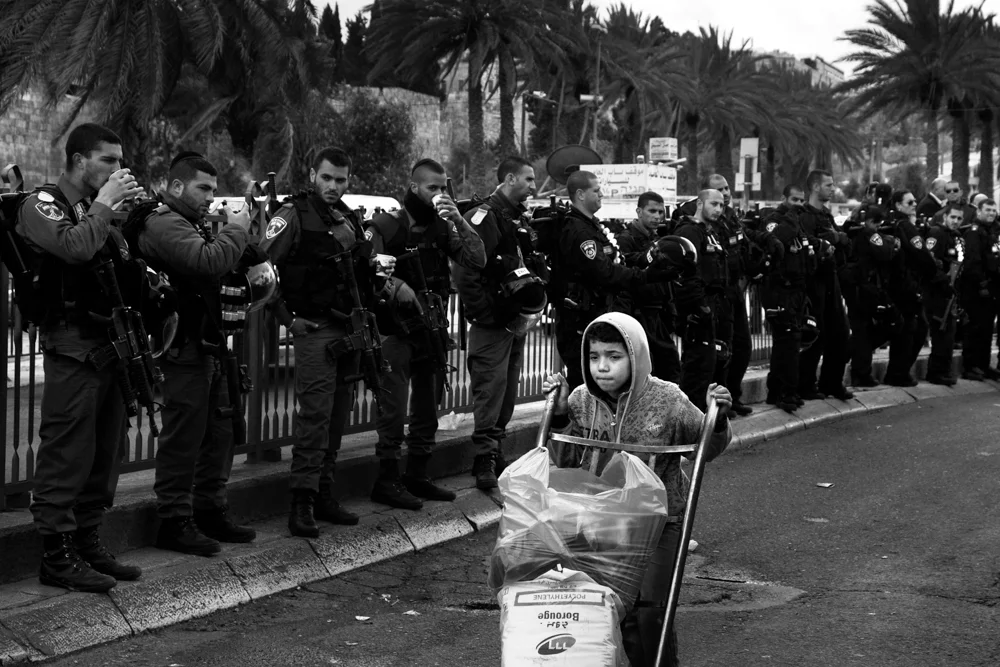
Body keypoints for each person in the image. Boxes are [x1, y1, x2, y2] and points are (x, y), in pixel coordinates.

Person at [541, 312, 732, 667]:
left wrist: (717, 418)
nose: (602, 367)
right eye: (594, 357)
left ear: (636, 356)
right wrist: (560, 413)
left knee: (650, 612)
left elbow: (709, 448)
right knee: (613, 608)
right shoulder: (582, 399)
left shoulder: (668, 399)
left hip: (661, 520)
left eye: (614, 357)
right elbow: (564, 461)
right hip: (602, 518)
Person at [18, 123, 144, 591]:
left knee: (105, 450)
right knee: (67, 450)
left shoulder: (98, 212)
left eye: (119, 160)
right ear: (77, 159)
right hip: (72, 347)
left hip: (110, 345)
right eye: (108, 160)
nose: (118, 169)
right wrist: (106, 204)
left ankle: (88, 541)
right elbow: (74, 248)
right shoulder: (43, 205)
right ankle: (56, 555)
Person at [259, 147, 400, 536]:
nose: (333, 186)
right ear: (311, 175)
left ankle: (323, 493)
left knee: (338, 416)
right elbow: (259, 270)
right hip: (316, 330)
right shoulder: (291, 216)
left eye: (340, 180)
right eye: (326, 178)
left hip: (349, 331)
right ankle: (301, 501)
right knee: (315, 417)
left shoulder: (348, 219)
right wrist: (288, 319)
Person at [135, 152, 258, 556]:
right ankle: (174, 519)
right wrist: (238, 229)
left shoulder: (189, 222)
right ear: (175, 186)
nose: (210, 197)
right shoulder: (161, 221)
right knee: (185, 436)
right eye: (202, 188)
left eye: (213, 189)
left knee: (219, 431)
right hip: (182, 345)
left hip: (207, 340)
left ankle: (209, 509)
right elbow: (207, 263)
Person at [365, 159, 486, 509]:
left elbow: (477, 259)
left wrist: (459, 219)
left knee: (426, 407)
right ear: (414, 186)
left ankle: (417, 475)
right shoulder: (386, 225)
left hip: (431, 330)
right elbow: (366, 267)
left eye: (444, 188)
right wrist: (394, 284)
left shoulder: (441, 227)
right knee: (392, 409)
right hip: (396, 330)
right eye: (433, 188)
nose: (439, 194)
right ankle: (386, 480)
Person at [454, 156, 545, 490]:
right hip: (492, 322)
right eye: (529, 179)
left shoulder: (515, 219)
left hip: (513, 320)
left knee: (506, 391)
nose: (534, 187)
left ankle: (496, 450)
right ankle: (484, 458)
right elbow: (465, 271)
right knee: (489, 391)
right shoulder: (482, 217)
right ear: (509, 178)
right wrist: (485, 313)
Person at [547, 170, 674, 391]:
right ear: (580, 194)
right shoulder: (578, 231)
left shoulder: (591, 225)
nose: (601, 194)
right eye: (596, 190)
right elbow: (604, 272)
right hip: (580, 320)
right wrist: (644, 276)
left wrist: (645, 262)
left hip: (597, 314)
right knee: (585, 384)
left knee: (602, 385)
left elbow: (617, 259)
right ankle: (578, 426)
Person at [797, 170, 854, 401]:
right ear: (815, 187)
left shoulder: (827, 215)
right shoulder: (805, 216)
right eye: (828, 185)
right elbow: (810, 247)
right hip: (814, 283)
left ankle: (832, 382)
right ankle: (806, 385)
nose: (833, 188)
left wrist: (835, 239)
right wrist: (830, 240)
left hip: (831, 280)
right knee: (814, 335)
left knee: (840, 334)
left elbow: (843, 244)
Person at [671, 189, 731, 411]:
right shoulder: (689, 230)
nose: (718, 209)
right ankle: (690, 421)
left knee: (710, 366)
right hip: (697, 311)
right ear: (700, 203)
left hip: (712, 305)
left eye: (721, 205)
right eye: (713, 204)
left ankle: (705, 419)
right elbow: (687, 274)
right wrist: (700, 308)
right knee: (697, 369)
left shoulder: (709, 231)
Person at [614, 191, 681, 384]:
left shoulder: (656, 238)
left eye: (661, 212)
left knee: (668, 369)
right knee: (647, 372)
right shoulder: (626, 239)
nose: (657, 216)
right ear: (639, 211)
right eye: (652, 211)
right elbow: (627, 272)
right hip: (639, 314)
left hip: (657, 313)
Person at [760, 185, 814, 412]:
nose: (799, 204)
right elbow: (777, 241)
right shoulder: (775, 220)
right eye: (795, 199)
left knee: (789, 343)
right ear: (784, 199)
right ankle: (785, 393)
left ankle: (778, 391)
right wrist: (791, 220)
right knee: (788, 342)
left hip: (797, 292)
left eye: (802, 200)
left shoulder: (798, 223)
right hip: (779, 291)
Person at [881, 190, 936, 386]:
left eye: (915, 201)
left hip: (898, 285)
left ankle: (897, 372)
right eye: (910, 202)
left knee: (909, 330)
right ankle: (898, 373)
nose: (914, 204)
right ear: (898, 205)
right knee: (913, 330)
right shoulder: (904, 226)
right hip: (906, 287)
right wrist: (934, 273)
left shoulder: (894, 224)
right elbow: (922, 255)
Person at [959, 198, 1000, 381]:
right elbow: (972, 262)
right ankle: (970, 366)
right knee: (974, 328)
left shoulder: (992, 231)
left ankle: (983, 365)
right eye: (988, 210)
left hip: (991, 287)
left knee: (986, 329)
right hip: (976, 288)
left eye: (994, 210)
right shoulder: (974, 232)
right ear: (979, 212)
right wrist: (982, 284)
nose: (991, 213)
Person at [924, 204, 965, 385]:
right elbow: (929, 261)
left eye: (959, 218)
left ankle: (944, 370)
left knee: (949, 333)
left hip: (950, 291)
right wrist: (944, 281)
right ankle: (936, 372)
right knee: (941, 333)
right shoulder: (936, 233)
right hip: (937, 292)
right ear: (945, 217)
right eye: (953, 217)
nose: (955, 221)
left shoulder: (956, 237)